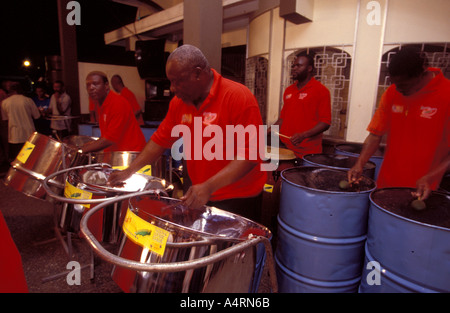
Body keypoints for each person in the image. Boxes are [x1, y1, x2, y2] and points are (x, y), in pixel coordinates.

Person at [108, 44, 267, 222]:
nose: (173, 88)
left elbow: (252, 154)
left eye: (177, 81)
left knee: (234, 250)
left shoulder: (238, 97)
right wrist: (129, 171)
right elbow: (160, 141)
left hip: (238, 198)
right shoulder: (179, 103)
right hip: (202, 193)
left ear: (197, 73)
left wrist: (209, 186)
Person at [348, 47, 450, 200]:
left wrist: (430, 177)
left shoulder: (446, 94)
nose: (399, 89)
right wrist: (360, 163)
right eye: (396, 84)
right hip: (386, 184)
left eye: (405, 85)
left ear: (422, 72)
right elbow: (375, 135)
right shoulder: (392, 93)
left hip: (424, 190)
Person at [269, 51, 331, 158]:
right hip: (284, 146)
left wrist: (303, 135)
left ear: (309, 68)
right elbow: (283, 119)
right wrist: (269, 130)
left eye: (299, 65)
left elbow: (325, 122)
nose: (294, 68)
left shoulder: (321, 91)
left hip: (307, 151)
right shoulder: (289, 90)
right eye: (293, 66)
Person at [80, 71, 146, 153]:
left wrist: (80, 151)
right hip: (117, 154)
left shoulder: (117, 102)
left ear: (106, 85)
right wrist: (89, 144)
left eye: (95, 84)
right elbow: (107, 135)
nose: (91, 88)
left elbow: (109, 139)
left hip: (131, 154)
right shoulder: (100, 103)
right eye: (88, 85)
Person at [1, 82, 41, 162]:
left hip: (14, 136)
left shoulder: (5, 103)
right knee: (28, 160)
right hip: (28, 135)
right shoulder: (27, 100)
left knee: (18, 160)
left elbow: (5, 119)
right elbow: (37, 116)